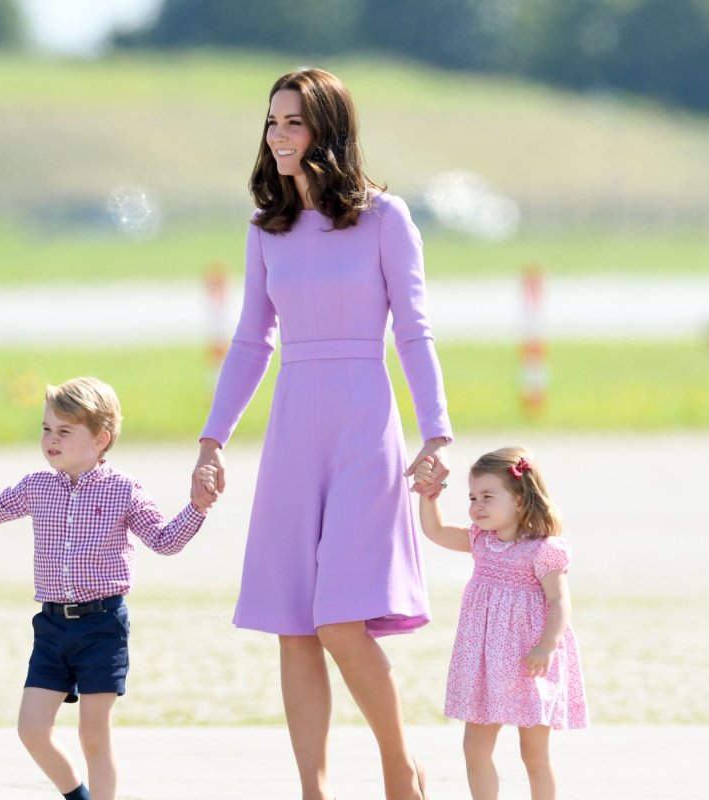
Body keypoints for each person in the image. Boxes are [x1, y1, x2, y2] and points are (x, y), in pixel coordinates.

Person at [190, 67, 451, 799]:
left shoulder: (384, 218)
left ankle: (401, 769)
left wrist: (436, 434)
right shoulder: (265, 229)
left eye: (294, 122)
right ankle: (315, 789)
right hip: (291, 430)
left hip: (366, 425)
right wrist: (212, 441)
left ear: (327, 131)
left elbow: (414, 331)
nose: (278, 135)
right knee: (294, 624)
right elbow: (250, 341)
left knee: (341, 620)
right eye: (272, 121)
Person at [0, 377, 216, 800]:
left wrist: (198, 507)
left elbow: (165, 541)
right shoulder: (38, 486)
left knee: (94, 734)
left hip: (102, 625)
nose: (50, 440)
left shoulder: (124, 491)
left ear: (101, 438)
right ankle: (79, 796)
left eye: (64, 431)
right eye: (46, 429)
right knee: (32, 729)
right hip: (52, 627)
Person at [415, 447, 588, 800]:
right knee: (475, 749)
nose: (477, 505)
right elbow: (434, 531)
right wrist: (430, 496)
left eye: (488, 497)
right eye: (473, 497)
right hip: (483, 663)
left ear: (521, 499)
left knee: (534, 754)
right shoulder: (480, 541)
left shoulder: (543, 550)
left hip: (530, 662)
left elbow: (559, 601)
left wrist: (547, 645)